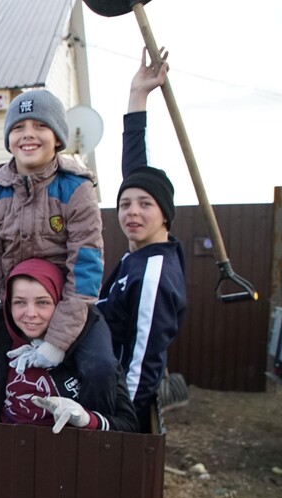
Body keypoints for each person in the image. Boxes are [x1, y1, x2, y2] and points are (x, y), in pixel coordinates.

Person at [0, 89, 104, 386]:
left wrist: (56, 342)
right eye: (18, 127)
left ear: (57, 138)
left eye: (40, 125)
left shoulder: (77, 190)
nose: (28, 135)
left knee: (98, 369)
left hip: (65, 308)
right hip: (16, 310)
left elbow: (86, 271)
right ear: (8, 139)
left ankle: (89, 424)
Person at [0, 258, 138, 433]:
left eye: (43, 302)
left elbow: (129, 425)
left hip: (69, 464)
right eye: (19, 302)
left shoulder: (90, 353)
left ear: (60, 304)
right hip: (7, 458)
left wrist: (87, 419)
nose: (31, 313)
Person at [96, 48, 188, 433]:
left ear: (165, 214)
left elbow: (143, 359)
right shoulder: (144, 251)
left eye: (144, 205)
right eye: (124, 204)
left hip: (119, 400)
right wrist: (138, 96)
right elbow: (136, 170)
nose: (132, 212)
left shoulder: (153, 274)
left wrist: (124, 425)